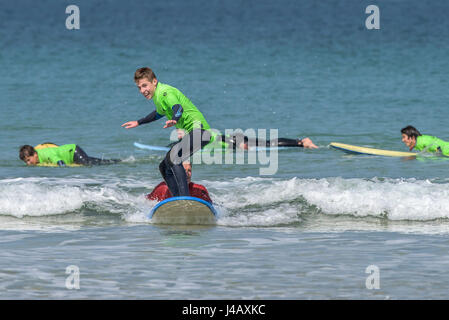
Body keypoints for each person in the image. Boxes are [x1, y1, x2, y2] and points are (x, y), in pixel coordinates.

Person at [122, 67, 215, 197]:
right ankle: (176, 198)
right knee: (164, 167)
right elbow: (158, 114)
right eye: (139, 88)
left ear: (154, 81)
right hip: (195, 133)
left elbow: (178, 108)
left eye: (144, 85)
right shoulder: (158, 97)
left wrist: (174, 119)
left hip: (200, 131)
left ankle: (185, 199)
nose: (142, 90)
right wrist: (139, 122)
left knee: (175, 158)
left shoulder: (165, 92)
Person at [146, 162, 212, 203]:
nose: (187, 173)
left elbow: (210, 207)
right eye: (183, 170)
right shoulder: (162, 188)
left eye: (189, 170)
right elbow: (147, 202)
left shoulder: (199, 189)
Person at [19, 143, 120, 166]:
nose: (28, 163)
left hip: (73, 151)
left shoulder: (45, 154)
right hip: (71, 152)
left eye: (29, 160)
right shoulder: (37, 157)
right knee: (93, 161)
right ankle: (114, 161)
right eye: (26, 161)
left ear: (35, 154)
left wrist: (63, 167)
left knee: (89, 164)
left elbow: (58, 160)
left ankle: (115, 162)